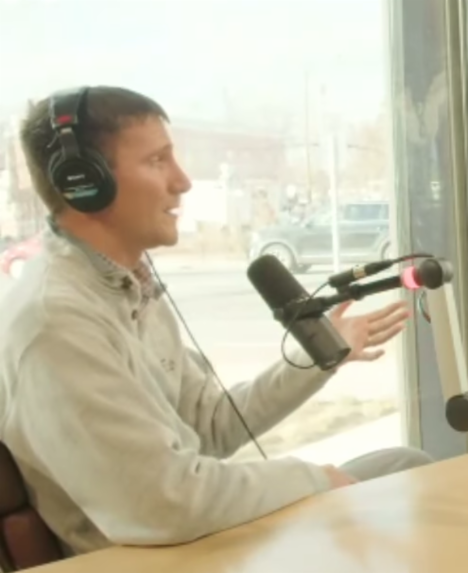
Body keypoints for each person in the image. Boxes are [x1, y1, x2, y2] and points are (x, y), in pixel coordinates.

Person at [0, 85, 434, 556]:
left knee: (404, 466)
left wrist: (320, 358)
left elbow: (210, 427)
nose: (183, 181)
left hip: (187, 534)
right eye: (157, 161)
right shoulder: (55, 323)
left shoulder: (127, 285)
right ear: (84, 181)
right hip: (153, 556)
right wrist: (315, 480)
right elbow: (162, 503)